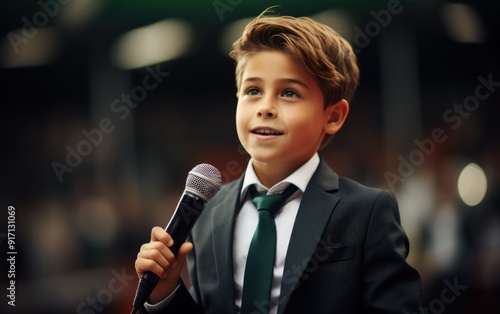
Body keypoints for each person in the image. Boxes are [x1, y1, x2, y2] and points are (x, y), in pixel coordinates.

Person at [134, 8, 423, 314]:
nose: (266, 107)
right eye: (253, 90)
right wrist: (165, 294)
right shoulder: (208, 215)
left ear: (333, 116)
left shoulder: (366, 212)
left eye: (288, 93)